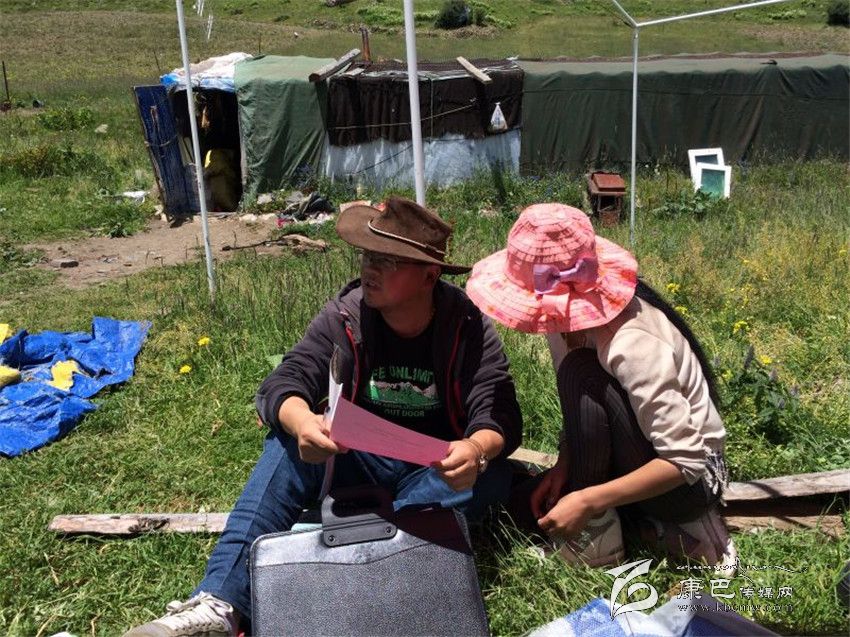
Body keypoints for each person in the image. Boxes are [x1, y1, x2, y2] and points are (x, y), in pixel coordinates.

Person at [124, 196, 523, 637]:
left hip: (434, 470)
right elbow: (285, 381)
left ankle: (349, 560)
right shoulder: (347, 315)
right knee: (285, 443)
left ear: (429, 275)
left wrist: (475, 450)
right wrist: (302, 422)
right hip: (355, 459)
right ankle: (221, 604)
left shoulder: (466, 325)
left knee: (491, 475)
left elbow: (499, 411)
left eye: (388, 260)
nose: (370, 269)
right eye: (368, 255)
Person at [465, 203, 735, 570]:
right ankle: (640, 528)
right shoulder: (563, 324)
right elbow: (583, 409)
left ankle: (599, 538)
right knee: (517, 507)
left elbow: (684, 460)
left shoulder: (632, 342)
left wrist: (588, 500)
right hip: (642, 453)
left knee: (581, 374)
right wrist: (565, 463)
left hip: (691, 483)